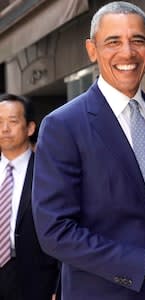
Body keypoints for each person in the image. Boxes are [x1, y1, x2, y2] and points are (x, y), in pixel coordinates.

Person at [32, 2, 145, 300]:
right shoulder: (63, 125)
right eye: (113, 42)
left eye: (137, 40)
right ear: (92, 50)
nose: (127, 53)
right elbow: (55, 231)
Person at [0, 93, 58, 299]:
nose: (4, 129)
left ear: (30, 128)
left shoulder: (49, 171)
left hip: (36, 280)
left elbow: (64, 225)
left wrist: (57, 287)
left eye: (13, 121)